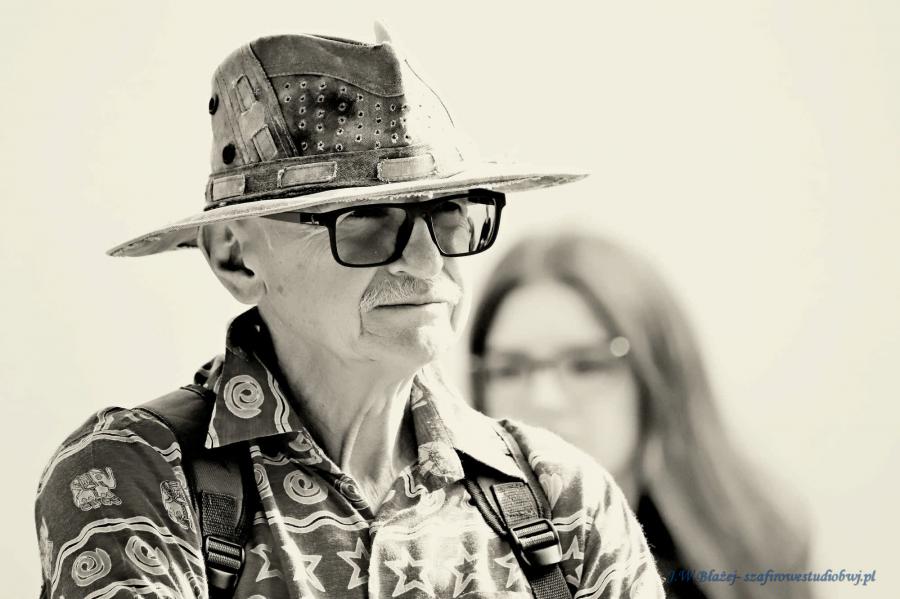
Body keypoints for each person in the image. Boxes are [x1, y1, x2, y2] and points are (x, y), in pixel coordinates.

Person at [34, 31, 665, 598]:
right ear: (236, 256)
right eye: (365, 220)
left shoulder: (563, 498)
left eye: (451, 215)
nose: (427, 261)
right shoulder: (136, 469)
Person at [469, 233, 813, 599]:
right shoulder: (446, 565)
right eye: (508, 369)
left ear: (656, 379)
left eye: (586, 365)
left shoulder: (755, 548)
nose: (544, 399)